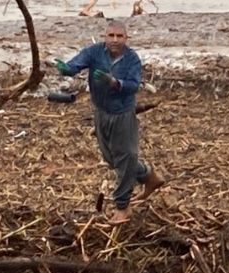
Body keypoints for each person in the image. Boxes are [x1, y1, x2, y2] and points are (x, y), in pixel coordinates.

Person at [54, 20, 164, 225]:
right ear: (105, 37)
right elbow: (75, 65)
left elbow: (133, 85)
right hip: (101, 111)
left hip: (122, 113)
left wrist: (114, 83)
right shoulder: (95, 52)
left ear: (126, 38)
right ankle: (149, 176)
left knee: (125, 156)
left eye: (119, 36)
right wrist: (64, 68)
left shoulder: (132, 59)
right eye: (111, 35)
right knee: (112, 158)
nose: (114, 40)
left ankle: (123, 207)